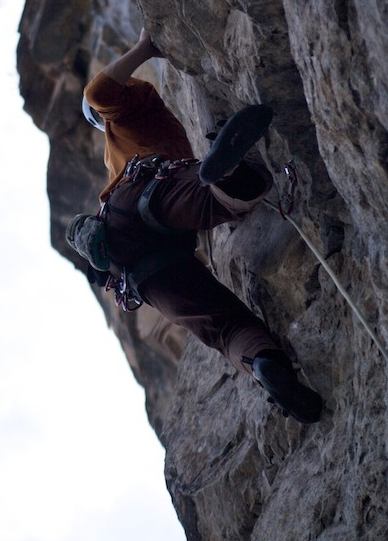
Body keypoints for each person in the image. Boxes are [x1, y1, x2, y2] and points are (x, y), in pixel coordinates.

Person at [66, 29, 323, 424]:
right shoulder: (132, 112)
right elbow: (98, 93)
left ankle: (264, 365)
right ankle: (227, 177)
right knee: (209, 193)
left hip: (136, 271)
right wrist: (146, 48)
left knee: (225, 330)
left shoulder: (112, 163)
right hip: (145, 198)